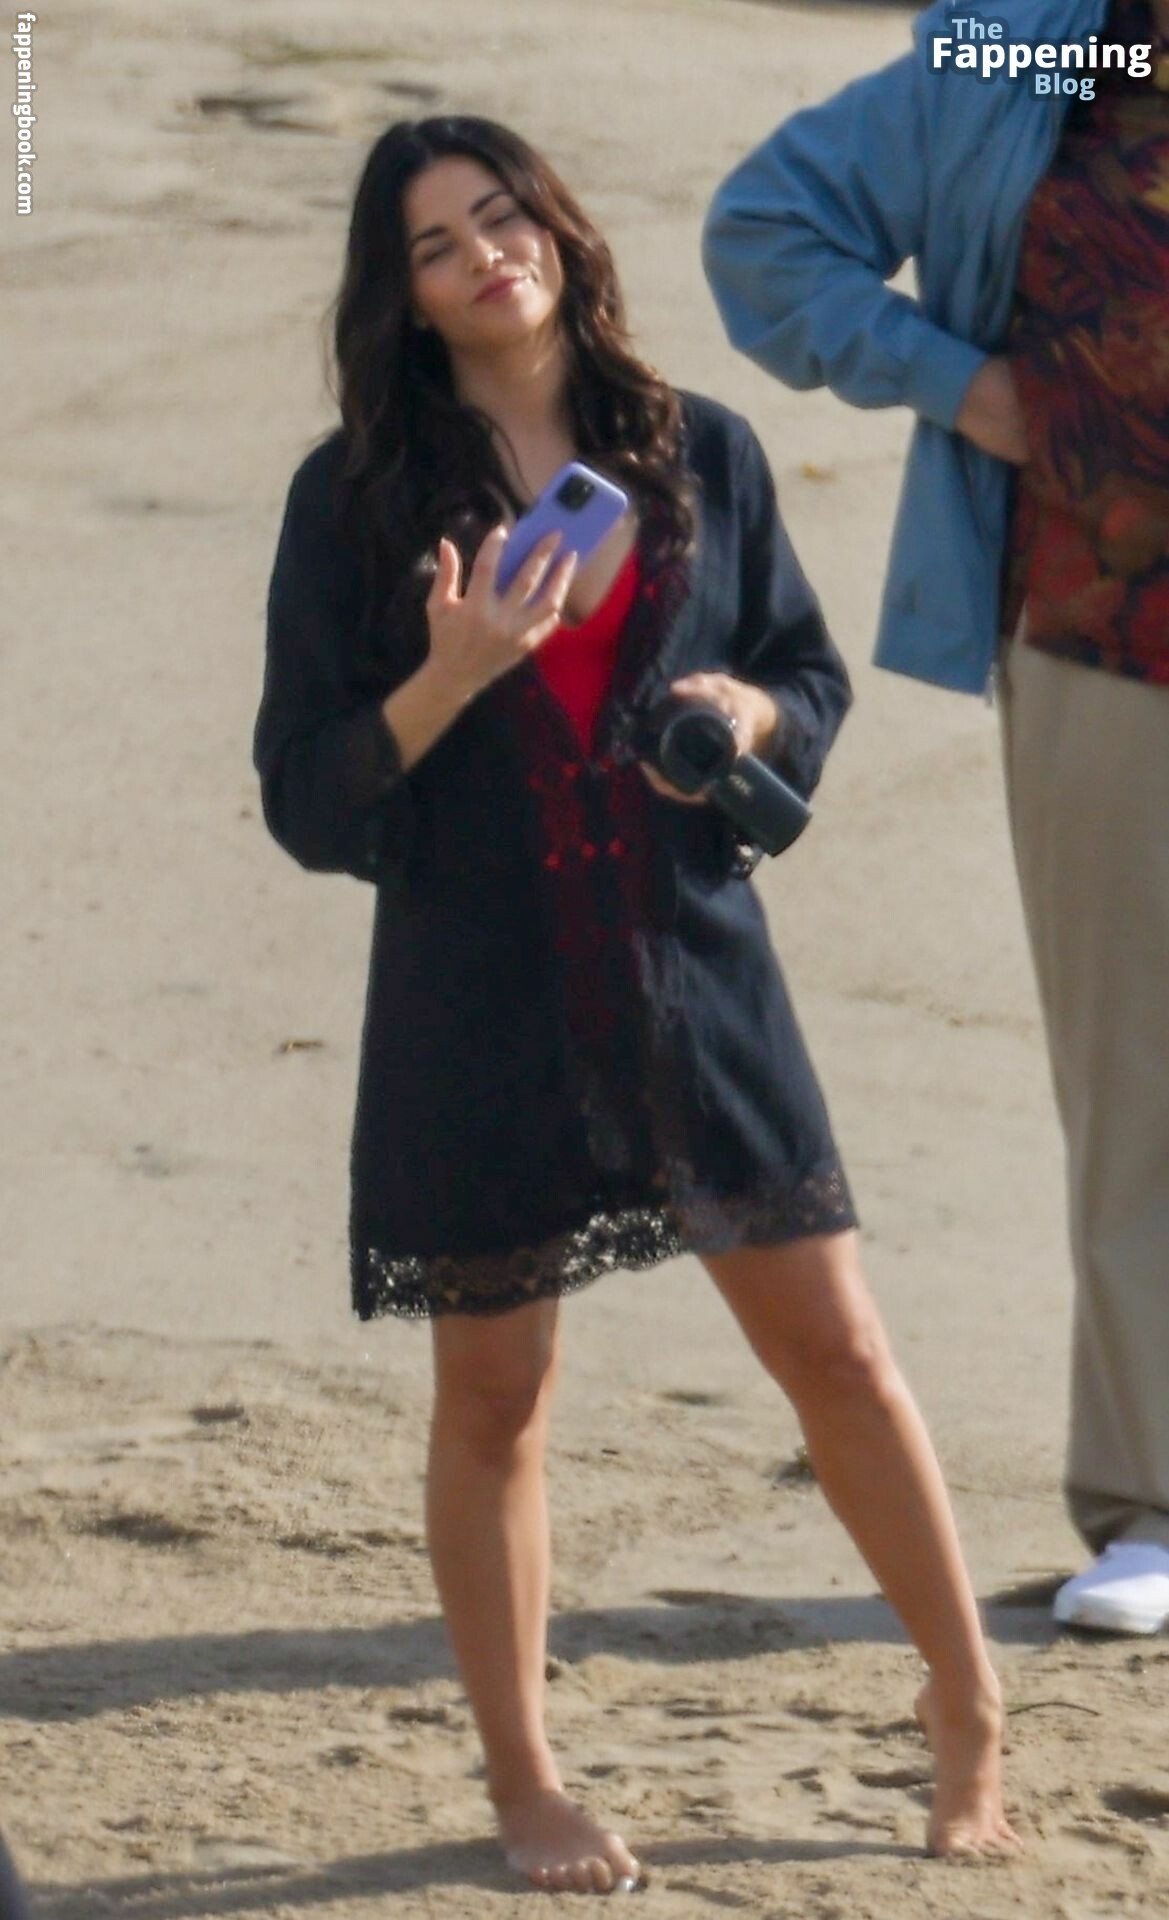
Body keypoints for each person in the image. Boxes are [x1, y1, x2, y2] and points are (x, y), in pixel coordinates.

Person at [253, 114, 1021, 1892]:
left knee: (839, 1355)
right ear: (405, 296)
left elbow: (806, 678)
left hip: (691, 975)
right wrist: (449, 678)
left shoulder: (698, 451)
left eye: (500, 216)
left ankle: (966, 1703)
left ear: (558, 229)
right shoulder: (353, 498)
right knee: (494, 1398)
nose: (482, 255)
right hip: (476, 996)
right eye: (436, 244)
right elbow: (303, 792)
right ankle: (525, 1780)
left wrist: (750, 715)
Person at [703, 0, 1169, 1638]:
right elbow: (765, 230)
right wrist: (958, 385)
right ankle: (1151, 1503)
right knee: (1137, 1078)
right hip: (1103, 640)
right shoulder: (1019, 49)